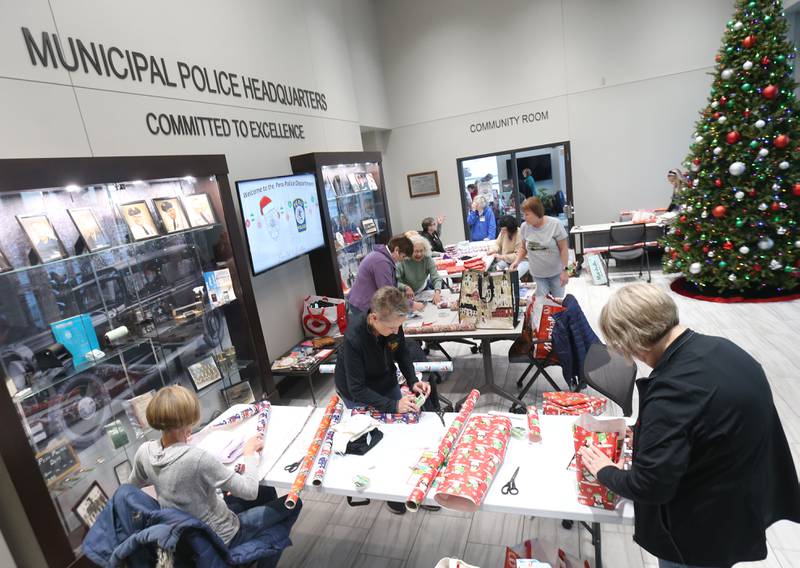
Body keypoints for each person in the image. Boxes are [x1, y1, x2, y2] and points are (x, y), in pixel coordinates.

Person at [579, 283, 800, 568]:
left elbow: (649, 486)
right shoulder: (726, 349)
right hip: (738, 504)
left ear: (633, 342)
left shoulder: (672, 393)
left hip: (697, 532)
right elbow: (709, 424)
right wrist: (651, 434)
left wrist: (604, 470)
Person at [128, 386, 300, 566]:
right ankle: (257, 553)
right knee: (294, 503)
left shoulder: (145, 452)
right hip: (223, 535)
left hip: (185, 539)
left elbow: (131, 489)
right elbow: (250, 491)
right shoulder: (197, 458)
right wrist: (249, 452)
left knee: (267, 493)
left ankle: (256, 549)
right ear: (189, 418)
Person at [335, 286, 433, 515]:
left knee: (399, 437)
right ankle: (386, 490)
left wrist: (411, 381)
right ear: (374, 317)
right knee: (375, 444)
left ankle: (409, 489)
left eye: (399, 326)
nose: (396, 331)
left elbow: (401, 354)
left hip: (384, 379)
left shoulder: (393, 324)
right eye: (391, 327)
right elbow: (357, 389)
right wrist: (393, 405)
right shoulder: (353, 339)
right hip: (356, 393)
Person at [347, 234, 423, 317]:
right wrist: (411, 304)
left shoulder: (382, 257)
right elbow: (387, 293)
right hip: (362, 305)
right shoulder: (381, 262)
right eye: (403, 256)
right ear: (396, 250)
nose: (402, 260)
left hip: (364, 302)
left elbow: (390, 285)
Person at [510, 197, 568, 297]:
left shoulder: (555, 224)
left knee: (558, 305)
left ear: (537, 213)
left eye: (527, 214)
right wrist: (517, 261)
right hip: (538, 275)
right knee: (541, 306)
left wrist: (565, 271)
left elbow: (564, 249)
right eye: (524, 214)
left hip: (556, 274)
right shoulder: (524, 227)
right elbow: (523, 248)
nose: (524, 217)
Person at [397, 234, 444, 305]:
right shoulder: (403, 261)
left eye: (421, 251)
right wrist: (405, 287)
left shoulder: (428, 259)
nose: (419, 254)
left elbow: (436, 278)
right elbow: (395, 282)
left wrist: (437, 292)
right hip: (404, 295)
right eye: (416, 251)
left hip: (422, 291)